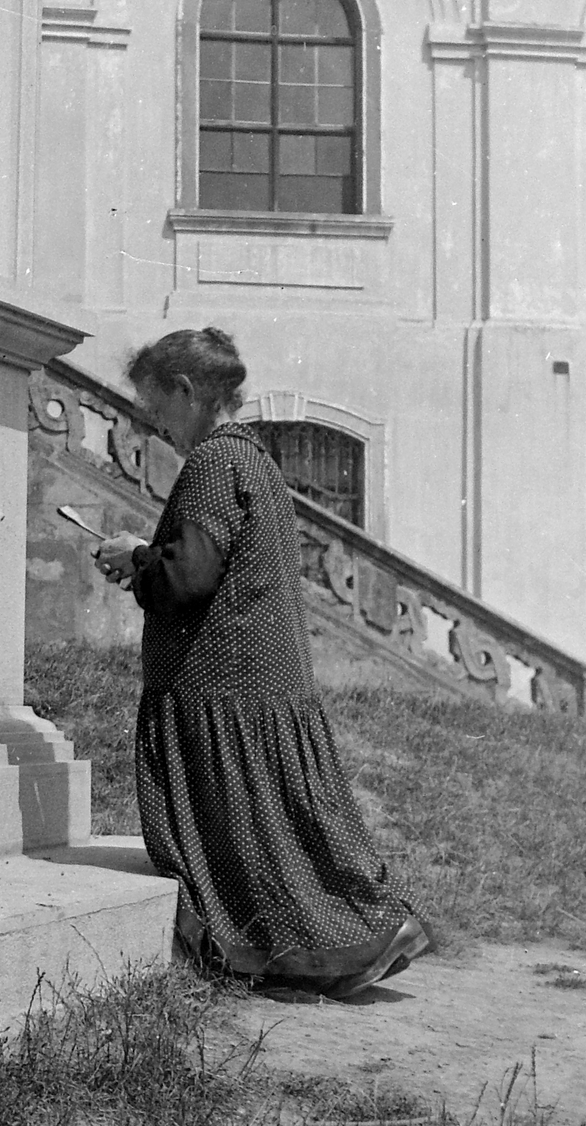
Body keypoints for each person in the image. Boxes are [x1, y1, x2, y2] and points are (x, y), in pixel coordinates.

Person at [95, 326, 432, 1001]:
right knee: (290, 831)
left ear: (188, 392)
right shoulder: (254, 460)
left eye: (156, 407)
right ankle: (358, 932)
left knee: (253, 840)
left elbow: (188, 578)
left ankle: (323, 944)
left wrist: (136, 558)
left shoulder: (213, 462)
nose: (154, 425)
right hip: (258, 684)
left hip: (220, 685)